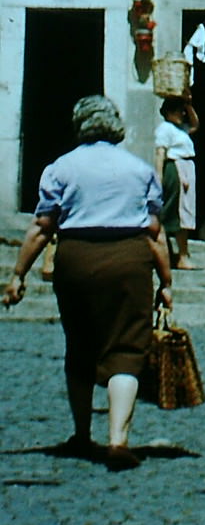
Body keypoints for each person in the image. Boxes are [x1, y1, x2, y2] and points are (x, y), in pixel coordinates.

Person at [2, 95, 172, 470]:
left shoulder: (61, 168)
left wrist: (17, 275)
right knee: (126, 347)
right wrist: (166, 280)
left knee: (80, 344)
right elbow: (155, 231)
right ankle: (118, 441)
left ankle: (82, 434)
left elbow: (42, 226)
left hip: (77, 257)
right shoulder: (139, 169)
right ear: (114, 125)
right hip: (129, 257)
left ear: (80, 125)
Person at [154, 96, 200, 270]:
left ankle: (182, 254)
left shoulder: (180, 128)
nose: (181, 114)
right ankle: (180, 255)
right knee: (180, 211)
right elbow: (160, 153)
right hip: (177, 166)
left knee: (186, 210)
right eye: (177, 110)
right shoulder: (165, 129)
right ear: (168, 113)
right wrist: (158, 177)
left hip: (187, 165)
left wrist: (188, 106)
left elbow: (195, 124)